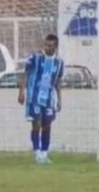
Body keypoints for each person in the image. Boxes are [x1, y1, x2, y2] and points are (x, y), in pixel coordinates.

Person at [18, 34, 64, 164]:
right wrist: (21, 91)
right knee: (36, 123)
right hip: (34, 97)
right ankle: (37, 152)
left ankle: (44, 153)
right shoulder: (36, 57)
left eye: (50, 45)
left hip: (49, 99)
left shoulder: (59, 62)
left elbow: (58, 82)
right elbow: (25, 74)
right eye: (45, 44)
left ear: (55, 47)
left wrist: (59, 99)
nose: (47, 47)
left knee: (47, 125)